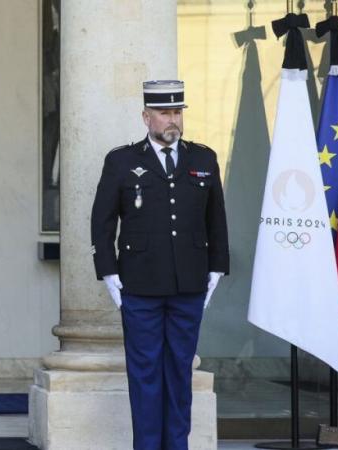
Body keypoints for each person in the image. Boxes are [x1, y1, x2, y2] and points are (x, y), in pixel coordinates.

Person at [91, 80, 229, 450]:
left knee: (180, 374)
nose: (173, 120)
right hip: (139, 287)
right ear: (146, 117)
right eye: (165, 113)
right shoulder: (121, 161)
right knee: (146, 375)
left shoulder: (203, 158)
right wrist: (108, 272)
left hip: (189, 286)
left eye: (177, 112)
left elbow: (216, 219)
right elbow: (103, 222)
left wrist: (217, 267)